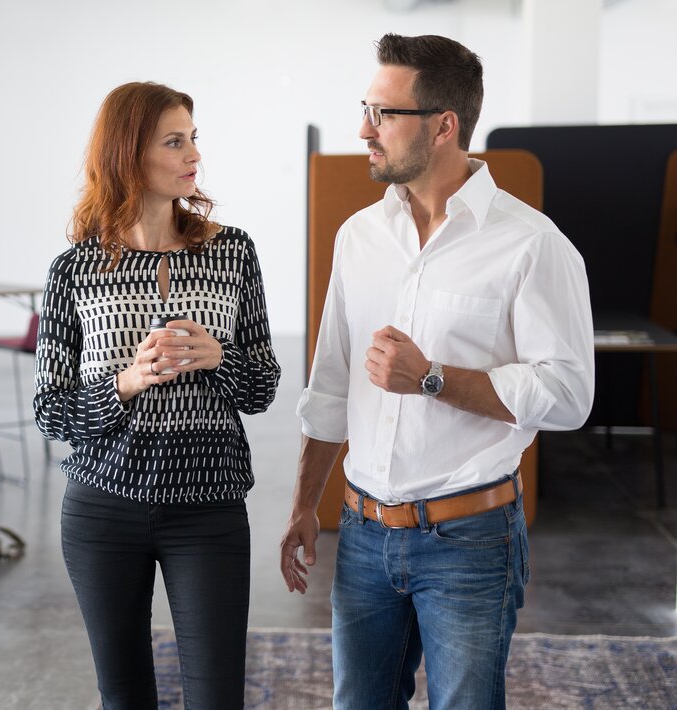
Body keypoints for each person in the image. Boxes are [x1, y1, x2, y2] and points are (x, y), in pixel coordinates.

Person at [279, 34, 594, 709]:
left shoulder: (533, 245)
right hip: (362, 537)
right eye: (366, 108)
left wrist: (432, 378)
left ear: (444, 125)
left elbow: (569, 396)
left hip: (470, 541)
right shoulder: (359, 236)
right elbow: (331, 382)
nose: (364, 130)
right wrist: (305, 502)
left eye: (384, 114)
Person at [34, 82, 281, 708]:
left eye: (193, 138)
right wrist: (122, 385)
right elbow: (49, 407)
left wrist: (219, 360)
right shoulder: (76, 270)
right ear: (128, 154)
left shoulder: (232, 252)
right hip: (101, 509)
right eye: (175, 141)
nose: (193, 154)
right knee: (124, 698)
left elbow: (262, 388)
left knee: (216, 697)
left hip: (209, 505)